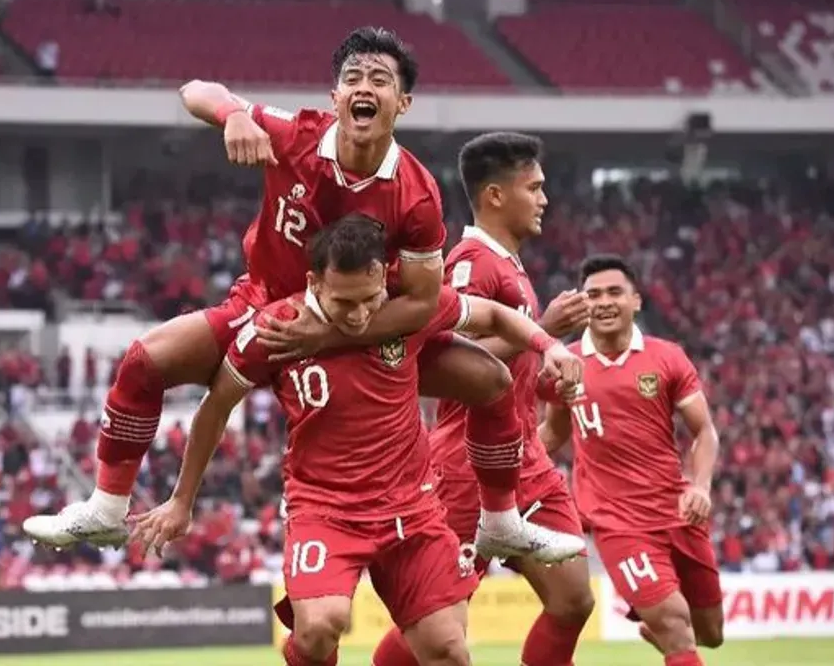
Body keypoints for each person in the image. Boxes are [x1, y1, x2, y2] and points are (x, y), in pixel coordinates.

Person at [26, 27, 551, 560]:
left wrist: (328, 329)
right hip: (264, 310)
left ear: (403, 102)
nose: (363, 87)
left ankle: (501, 523)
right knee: (145, 361)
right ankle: (107, 510)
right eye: (352, 79)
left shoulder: (416, 194)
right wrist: (233, 114)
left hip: (356, 327)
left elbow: (419, 301)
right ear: (335, 98)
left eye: (379, 79)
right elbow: (194, 89)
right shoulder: (295, 135)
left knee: (491, 381)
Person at [129, 215, 586, 666]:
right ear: (315, 281)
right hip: (326, 509)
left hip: (412, 509)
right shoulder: (275, 329)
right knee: (318, 629)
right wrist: (181, 500)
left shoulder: (405, 313)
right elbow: (216, 406)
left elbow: (490, 314)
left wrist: (551, 346)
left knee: (448, 649)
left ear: (382, 277)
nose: (360, 314)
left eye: (370, 298)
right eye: (344, 302)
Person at [371, 133, 595, 666]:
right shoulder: (471, 262)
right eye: (534, 188)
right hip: (469, 463)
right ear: (496, 195)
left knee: (573, 598)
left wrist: (546, 379)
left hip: (526, 457)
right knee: (441, 624)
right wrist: (540, 330)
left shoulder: (511, 266)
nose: (544, 199)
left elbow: (505, 369)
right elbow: (440, 366)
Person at [541, 254, 723, 666]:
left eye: (614, 292)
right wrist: (510, 461)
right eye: (593, 295)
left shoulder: (667, 358)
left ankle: (657, 629)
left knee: (711, 633)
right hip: (617, 522)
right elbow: (554, 431)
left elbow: (705, 432)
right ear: (581, 304)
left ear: (636, 300)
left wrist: (701, 484)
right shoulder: (563, 363)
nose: (603, 302)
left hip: (677, 511)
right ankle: (666, 628)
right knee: (677, 623)